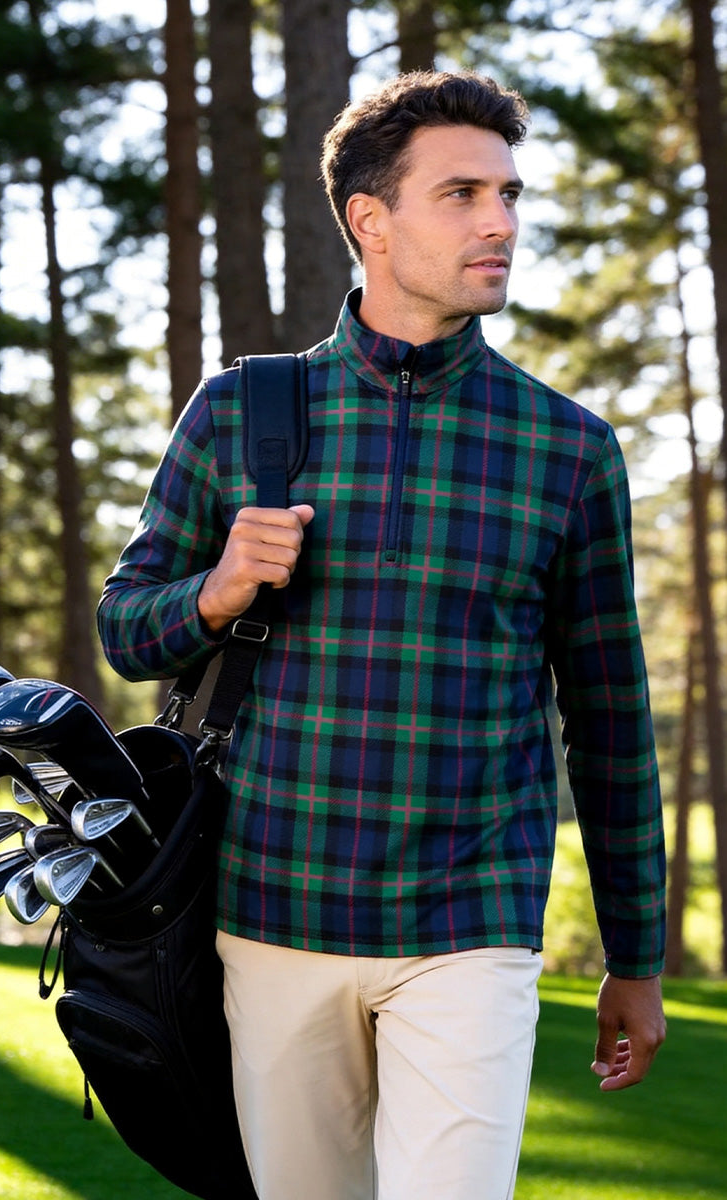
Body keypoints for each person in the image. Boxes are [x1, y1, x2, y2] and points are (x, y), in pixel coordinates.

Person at [97, 69, 667, 1200]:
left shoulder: (568, 448)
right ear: (371, 220)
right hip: (272, 908)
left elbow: (609, 722)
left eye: (509, 194)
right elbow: (126, 629)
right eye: (463, 194)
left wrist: (636, 955)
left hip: (473, 919)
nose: (501, 222)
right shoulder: (242, 411)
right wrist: (217, 591)